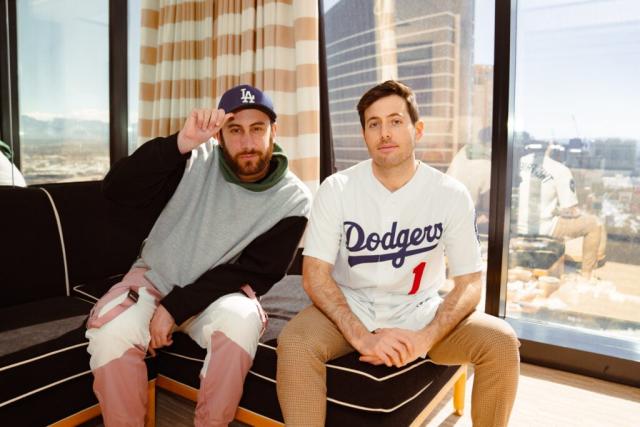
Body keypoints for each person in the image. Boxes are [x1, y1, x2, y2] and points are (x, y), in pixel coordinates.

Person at [276, 80, 520, 427]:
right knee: (296, 343)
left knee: (501, 341)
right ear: (364, 134)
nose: (384, 132)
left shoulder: (449, 194)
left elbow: (469, 282)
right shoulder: (337, 189)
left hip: (420, 308)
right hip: (350, 305)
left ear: (416, 129)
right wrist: (361, 336)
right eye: (374, 124)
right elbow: (314, 273)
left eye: (395, 121)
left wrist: (425, 338)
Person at [86, 84, 311, 426]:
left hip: (217, 294)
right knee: (110, 332)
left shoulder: (294, 198)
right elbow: (115, 188)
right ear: (220, 135)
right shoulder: (194, 157)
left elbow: (256, 273)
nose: (247, 142)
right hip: (154, 276)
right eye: (235, 130)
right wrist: (180, 143)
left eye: (257, 129)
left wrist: (174, 308)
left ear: (274, 132)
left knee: (242, 321)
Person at [517, 141, 606, 279]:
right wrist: (559, 210)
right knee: (594, 224)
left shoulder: (515, 163)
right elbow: (571, 211)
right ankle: (586, 275)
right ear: (551, 147)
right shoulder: (559, 169)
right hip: (544, 229)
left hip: (514, 227)